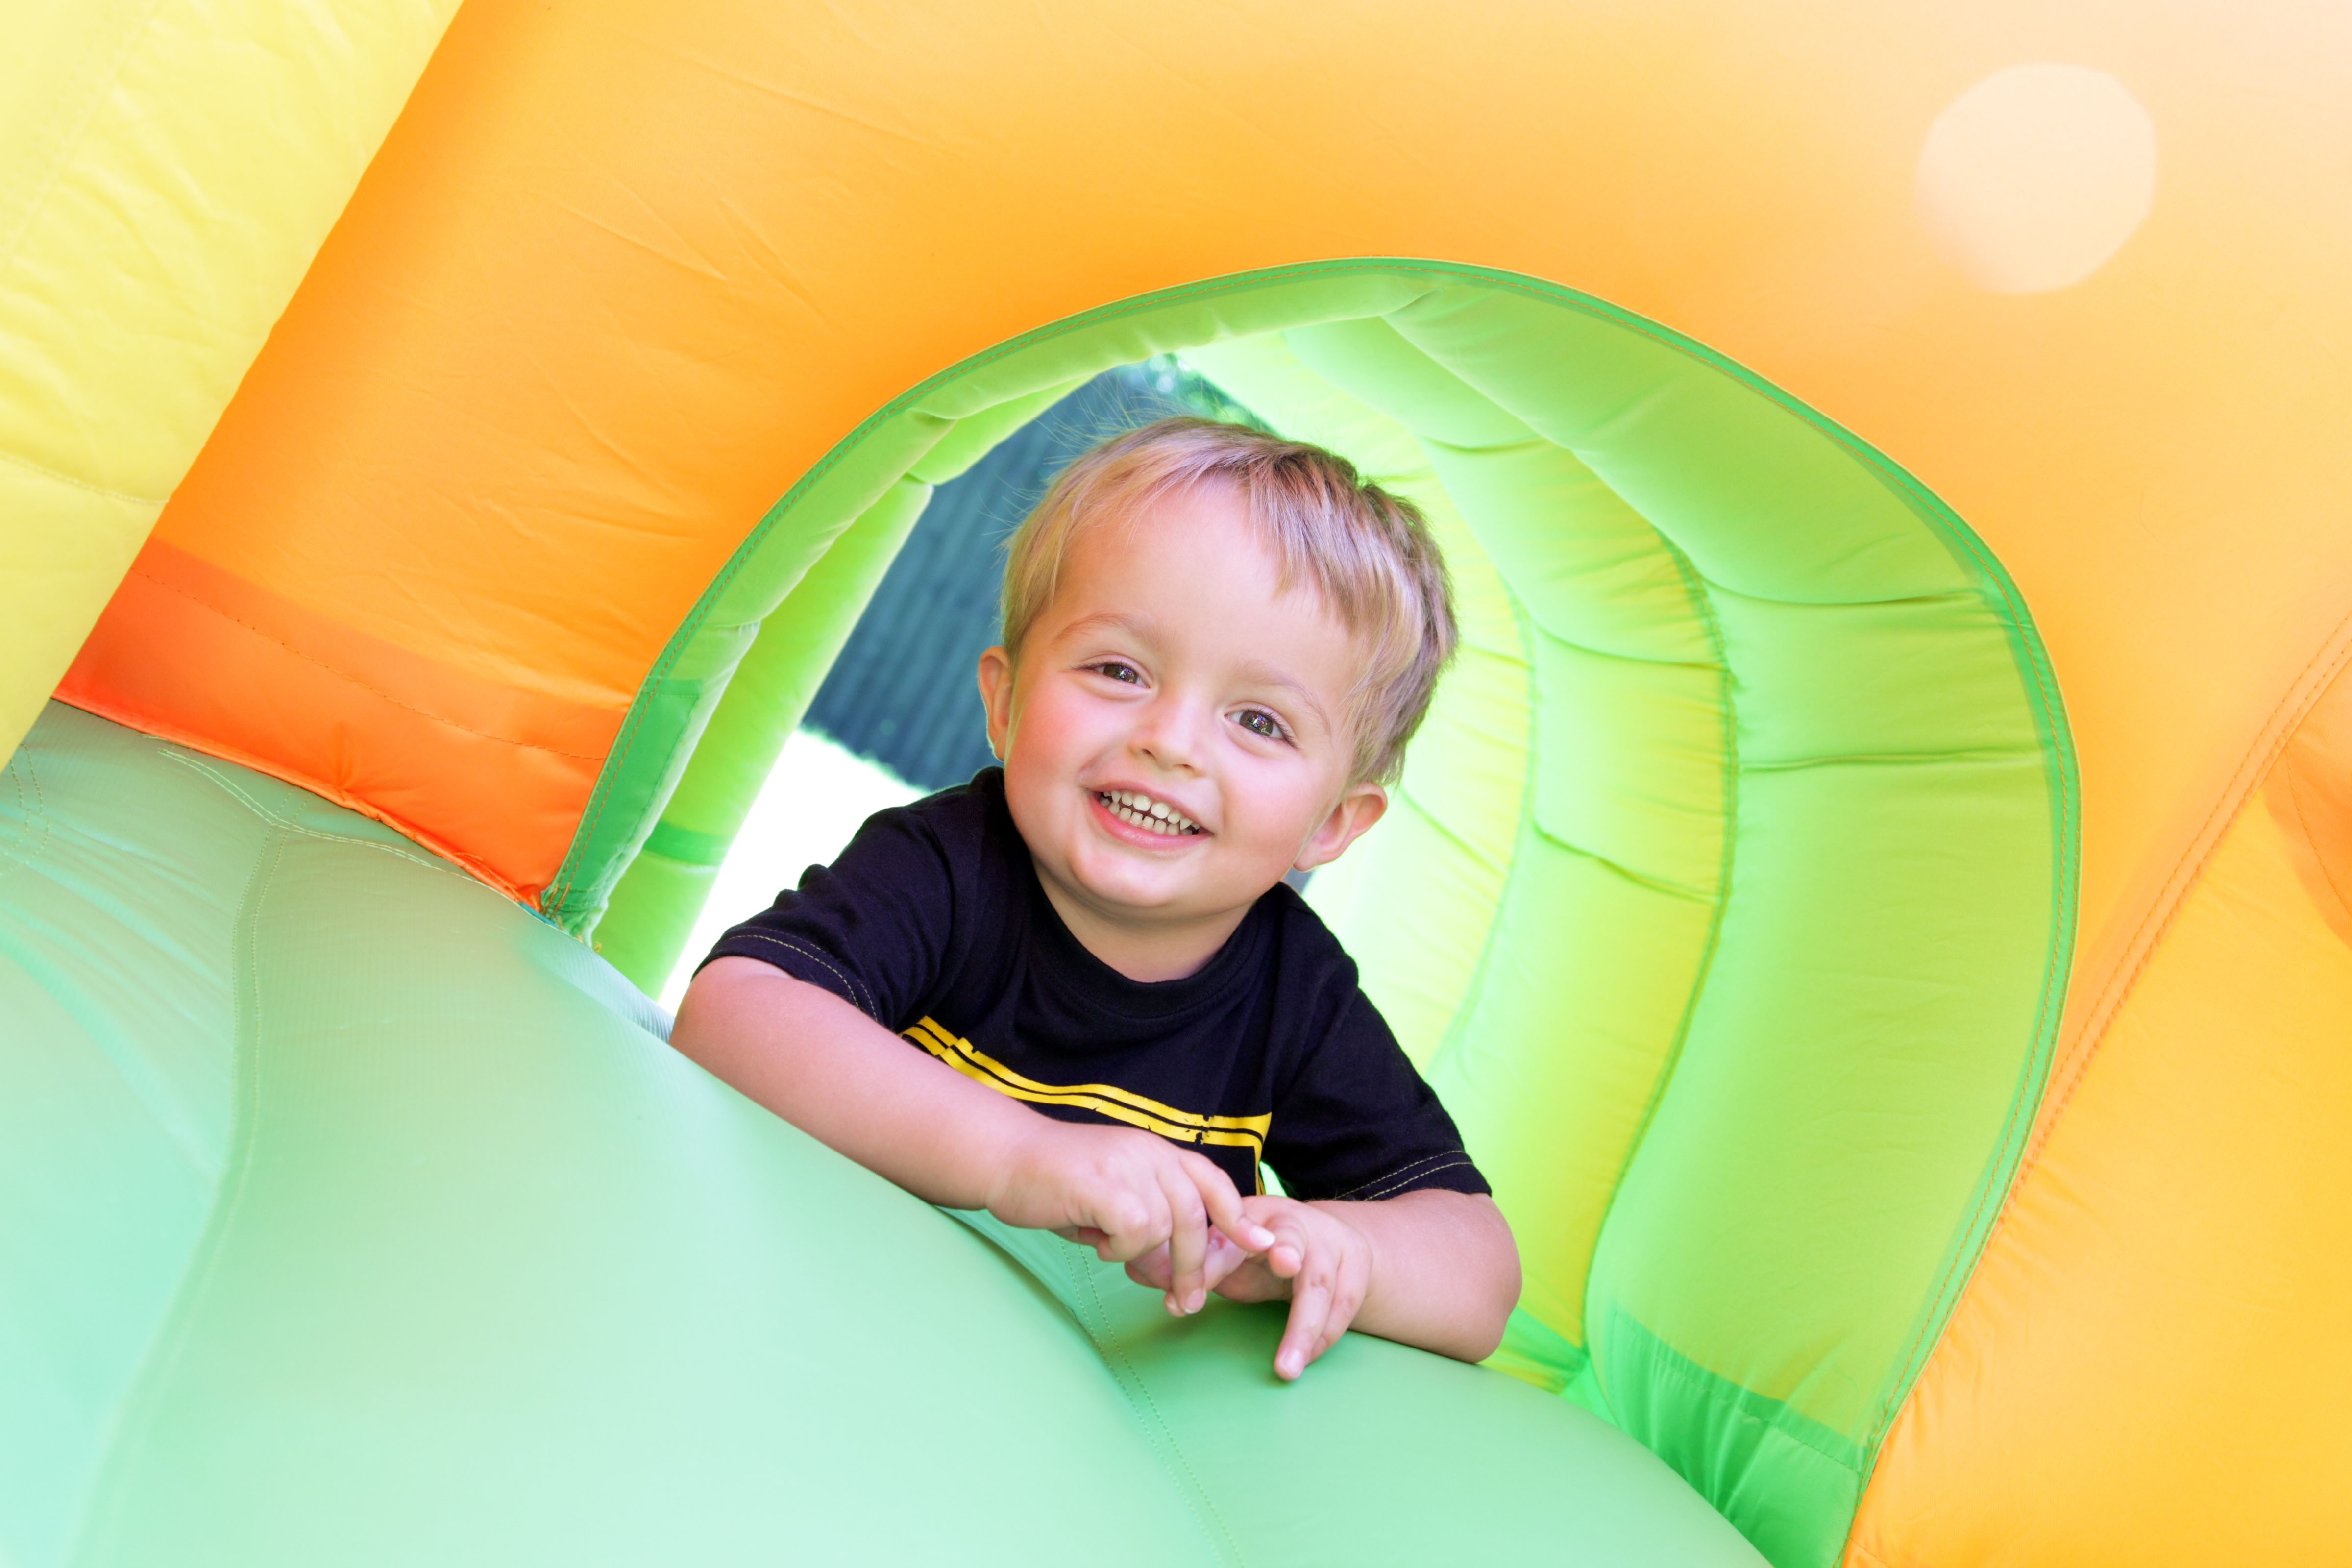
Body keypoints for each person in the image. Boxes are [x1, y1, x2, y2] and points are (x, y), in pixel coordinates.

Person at [671, 417, 1519, 1381]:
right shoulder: (953, 865)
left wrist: (1348, 1251)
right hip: (827, 1320)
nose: (1171, 740)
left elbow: (1480, 1266)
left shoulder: (1297, 996)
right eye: (1121, 670)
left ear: (1333, 822)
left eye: (1258, 720)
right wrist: (1019, 1157)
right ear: (1008, 702)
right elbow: (735, 1012)